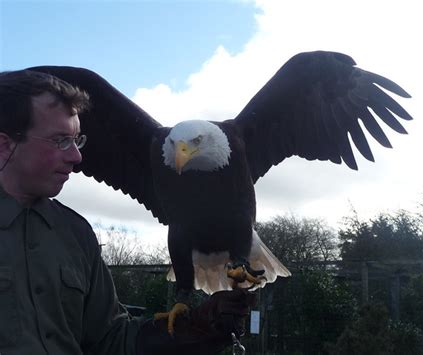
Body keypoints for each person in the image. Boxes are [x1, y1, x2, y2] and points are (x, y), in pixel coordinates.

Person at [0, 69, 255, 355]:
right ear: (4, 144)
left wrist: (196, 329)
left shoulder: (75, 234)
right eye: (60, 140)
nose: (77, 156)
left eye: (77, 140)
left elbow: (110, 340)